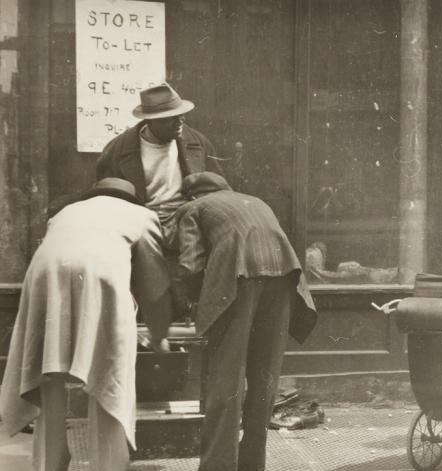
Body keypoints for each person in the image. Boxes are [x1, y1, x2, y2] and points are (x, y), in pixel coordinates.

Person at [0, 178, 173, 471]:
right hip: (98, 274)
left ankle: (51, 461)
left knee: (50, 368)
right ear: (130, 198)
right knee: (109, 372)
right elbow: (155, 285)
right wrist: (158, 335)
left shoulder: (65, 213)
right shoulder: (142, 215)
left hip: (44, 275)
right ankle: (108, 465)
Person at [171, 172, 317, 471]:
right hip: (284, 279)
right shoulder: (255, 201)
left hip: (237, 280)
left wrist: (191, 303)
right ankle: (252, 463)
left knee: (226, 379)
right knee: (265, 377)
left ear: (193, 195)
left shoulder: (193, 208)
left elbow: (189, 265)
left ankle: (218, 466)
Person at [96, 82, 223, 239]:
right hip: (140, 221)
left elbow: (218, 189)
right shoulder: (117, 149)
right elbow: (106, 200)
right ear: (150, 120)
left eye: (181, 114)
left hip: (188, 218)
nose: (180, 121)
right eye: (171, 118)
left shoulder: (198, 142)